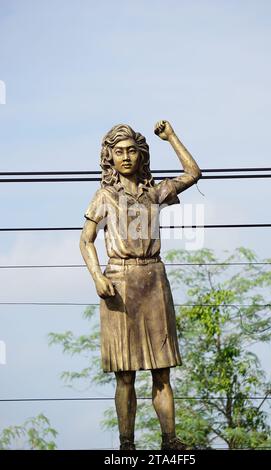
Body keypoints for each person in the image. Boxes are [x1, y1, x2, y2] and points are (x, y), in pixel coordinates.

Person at [80, 120, 201, 450]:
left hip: (154, 280)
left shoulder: (153, 192)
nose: (126, 157)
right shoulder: (104, 196)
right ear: (110, 158)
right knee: (126, 374)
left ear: (141, 154)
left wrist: (172, 137)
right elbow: (86, 240)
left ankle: (170, 441)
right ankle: (126, 444)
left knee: (162, 372)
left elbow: (193, 173)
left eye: (132, 150)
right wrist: (97, 277)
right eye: (118, 152)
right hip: (119, 284)